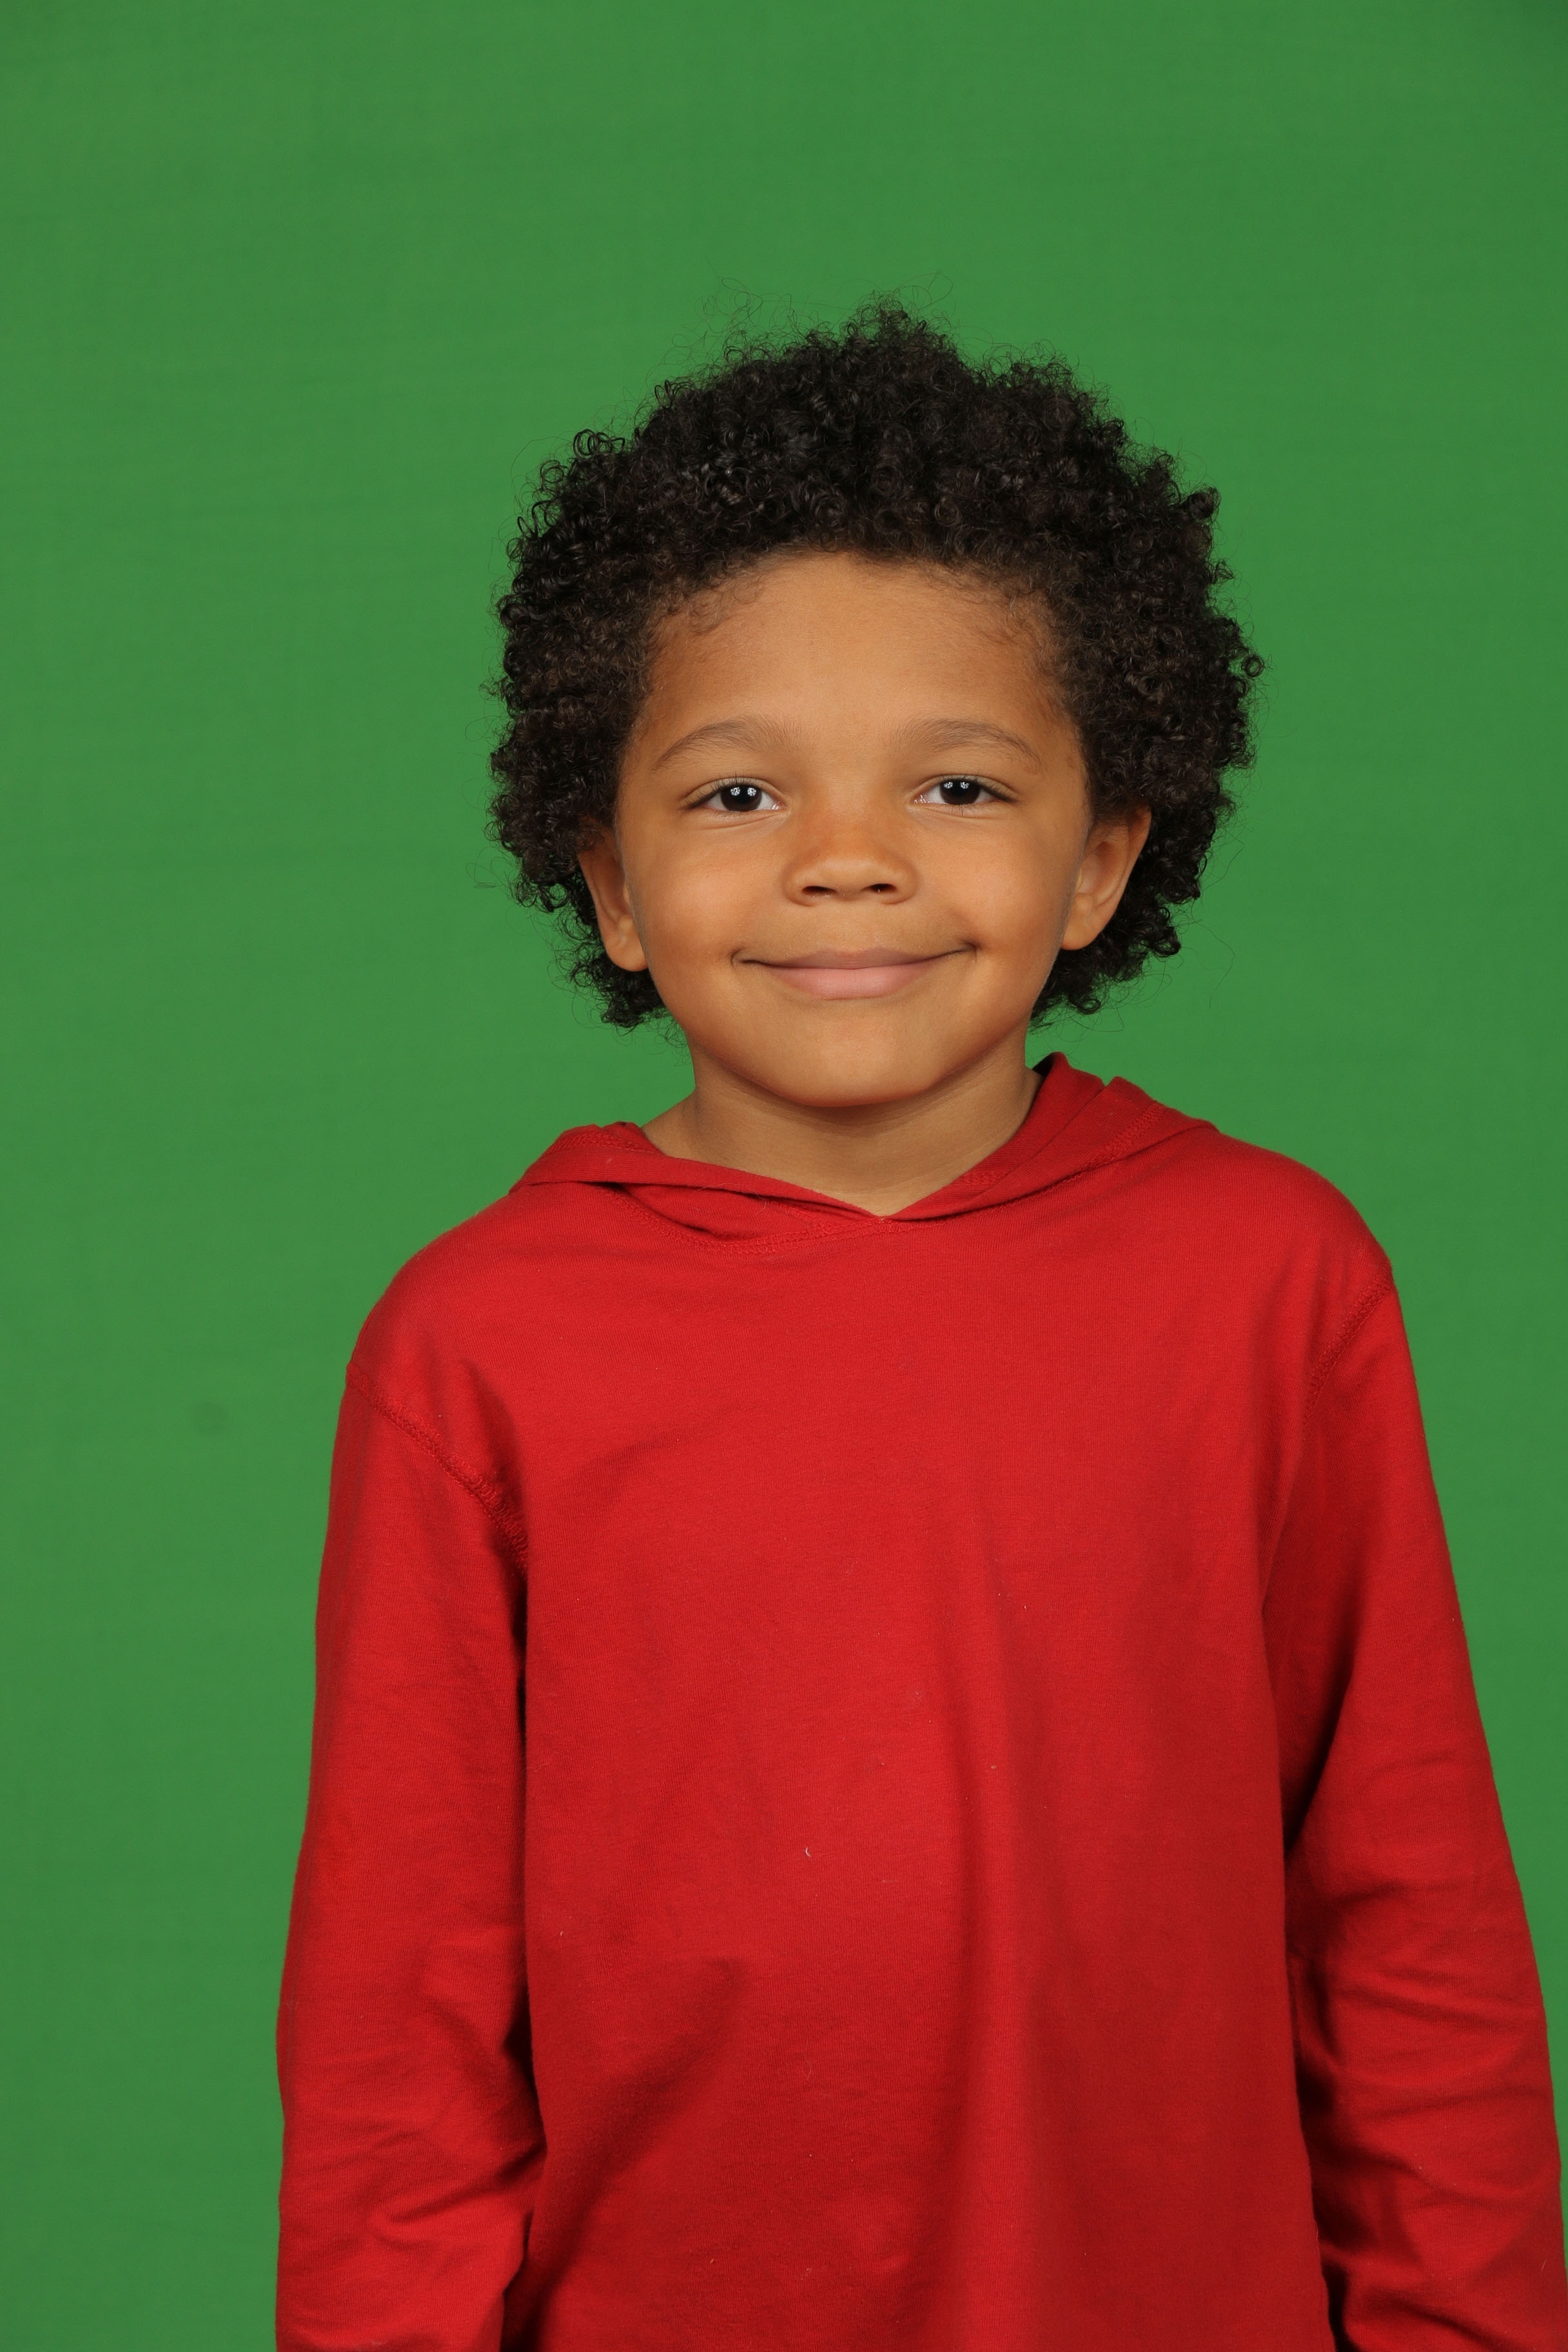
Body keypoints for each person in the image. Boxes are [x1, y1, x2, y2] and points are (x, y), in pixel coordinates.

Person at [275, 306, 1567, 2351]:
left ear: (1102, 856)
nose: (849, 862)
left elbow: (1405, 1916)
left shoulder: (1273, 1282)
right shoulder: (479, 1344)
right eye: (736, 795)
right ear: (612, 885)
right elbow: (398, 2028)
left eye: (957, 783)